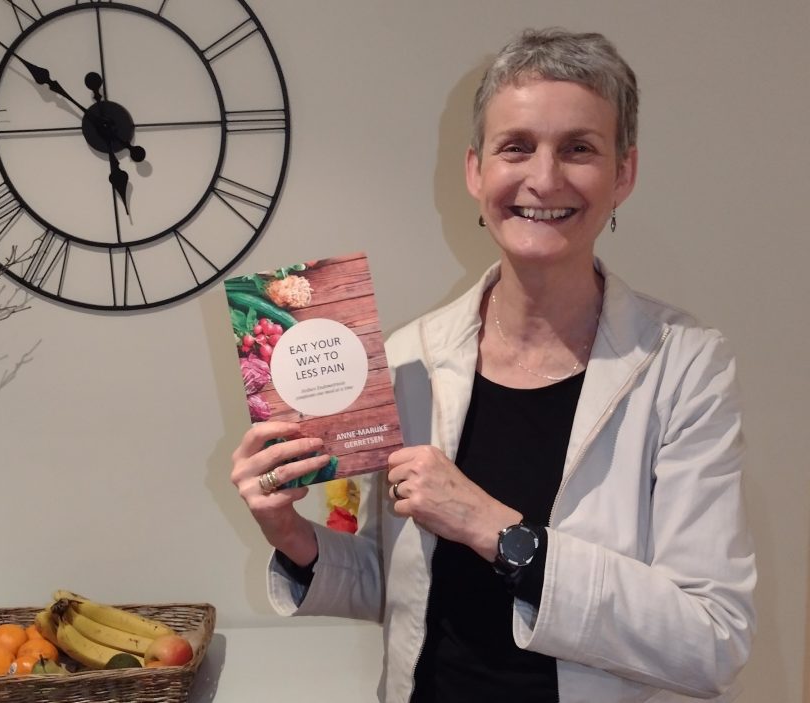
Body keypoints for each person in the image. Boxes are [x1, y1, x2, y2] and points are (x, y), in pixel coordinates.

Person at [230, 27, 755, 703]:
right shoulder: (407, 358)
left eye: (579, 149)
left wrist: (501, 533)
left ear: (623, 172)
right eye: (517, 147)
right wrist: (290, 533)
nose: (543, 178)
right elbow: (398, 584)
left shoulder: (685, 368)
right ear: (476, 170)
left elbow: (712, 638)